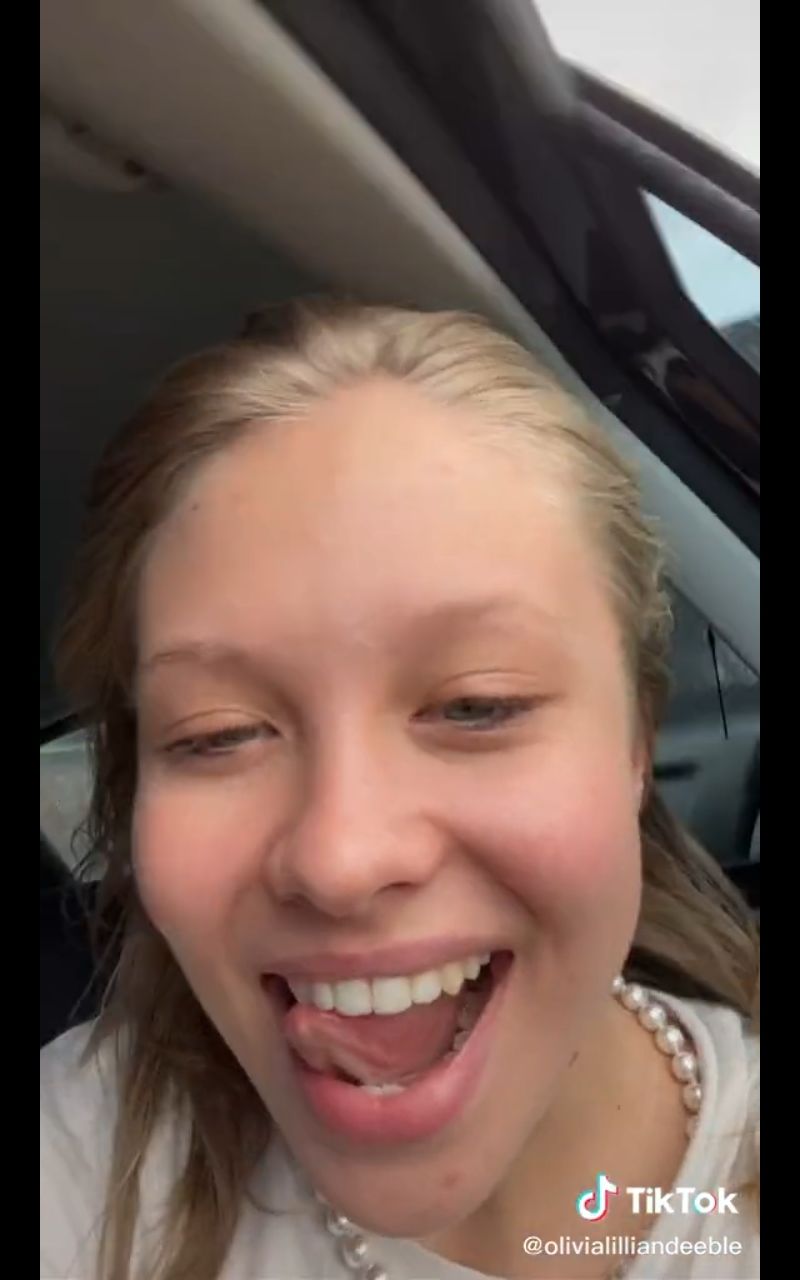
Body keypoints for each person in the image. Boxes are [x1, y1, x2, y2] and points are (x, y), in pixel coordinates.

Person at [40, 300, 759, 1280]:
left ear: (635, 738)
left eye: (476, 706)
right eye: (218, 733)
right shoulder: (75, 1171)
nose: (341, 859)